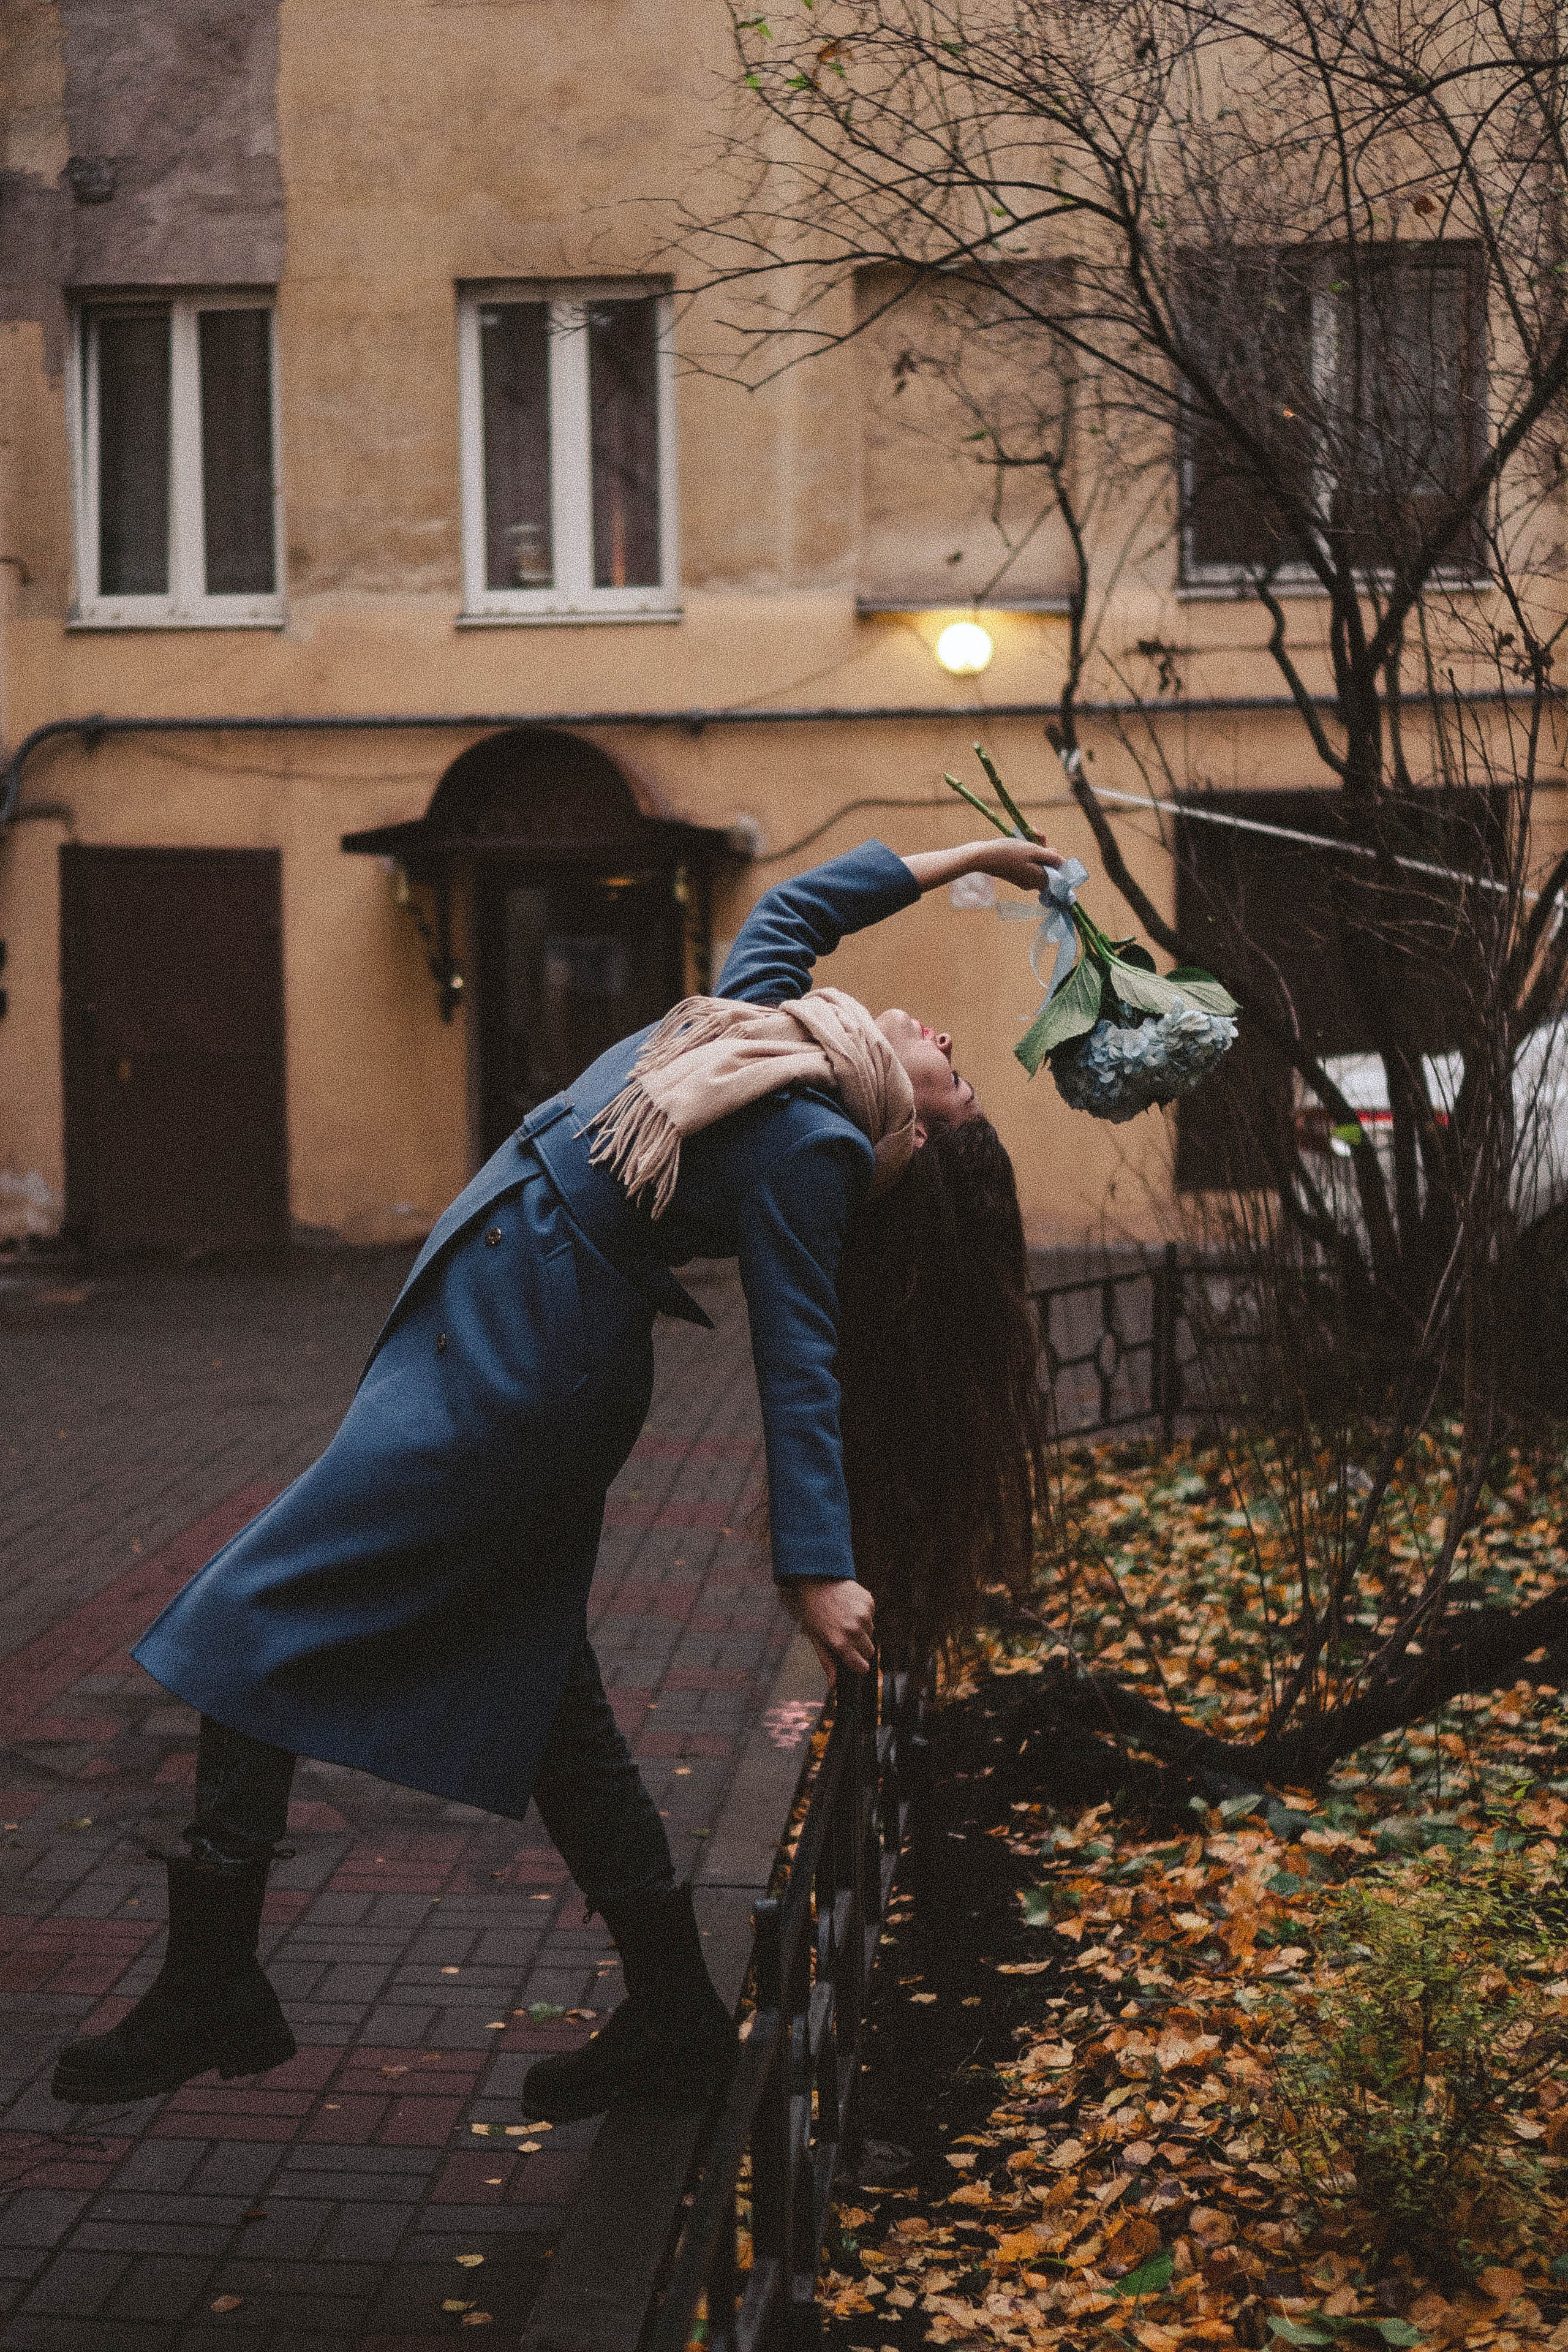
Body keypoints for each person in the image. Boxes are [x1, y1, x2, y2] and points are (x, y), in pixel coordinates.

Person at [50, 832, 1056, 2121]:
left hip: (520, 1375)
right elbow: (798, 904)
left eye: (957, 1078)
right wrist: (980, 853)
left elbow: (797, 1353)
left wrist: (815, 1567)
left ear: (912, 1130)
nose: (946, 1038)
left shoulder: (815, 1148)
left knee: (248, 1616)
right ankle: (674, 2011)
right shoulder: (770, 1034)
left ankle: (212, 1983)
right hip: (505, 1336)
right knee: (552, 1707)